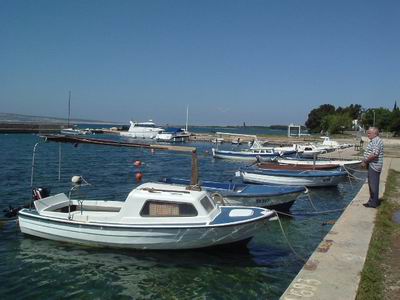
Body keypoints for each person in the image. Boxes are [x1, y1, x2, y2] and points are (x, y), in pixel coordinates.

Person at [361, 127, 384, 208]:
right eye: (368, 133)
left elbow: (375, 154)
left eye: (369, 133)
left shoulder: (376, 141)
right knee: (371, 184)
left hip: (374, 166)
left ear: (375, 133)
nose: (368, 135)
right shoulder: (374, 140)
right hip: (372, 165)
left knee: (373, 185)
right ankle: (371, 201)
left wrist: (365, 161)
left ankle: (374, 203)